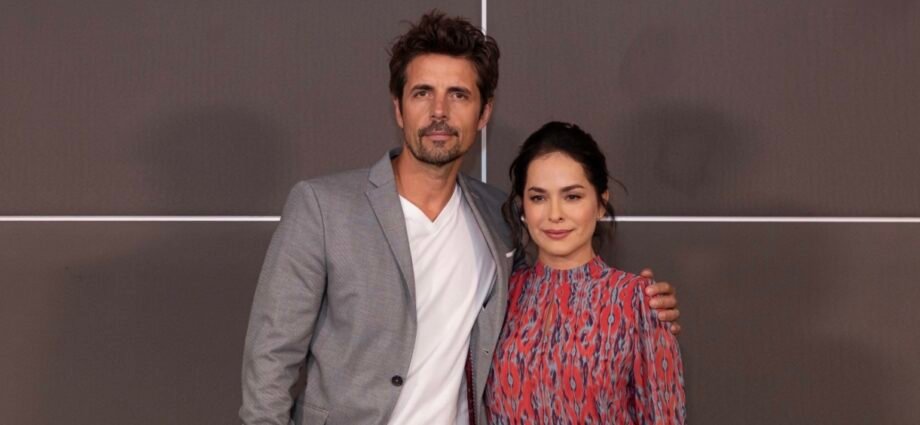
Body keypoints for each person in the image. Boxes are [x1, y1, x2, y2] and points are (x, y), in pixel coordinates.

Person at [240, 11, 680, 425]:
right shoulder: (323, 208)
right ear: (398, 108)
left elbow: (559, 292)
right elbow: (271, 362)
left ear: (484, 112)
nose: (439, 112)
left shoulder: (498, 218)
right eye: (422, 93)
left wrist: (644, 309)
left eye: (458, 95)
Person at [485, 122, 686, 423]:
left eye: (572, 197)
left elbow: (664, 415)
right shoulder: (501, 295)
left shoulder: (636, 301)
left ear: (601, 203)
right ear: (523, 208)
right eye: (539, 197)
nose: (555, 214)